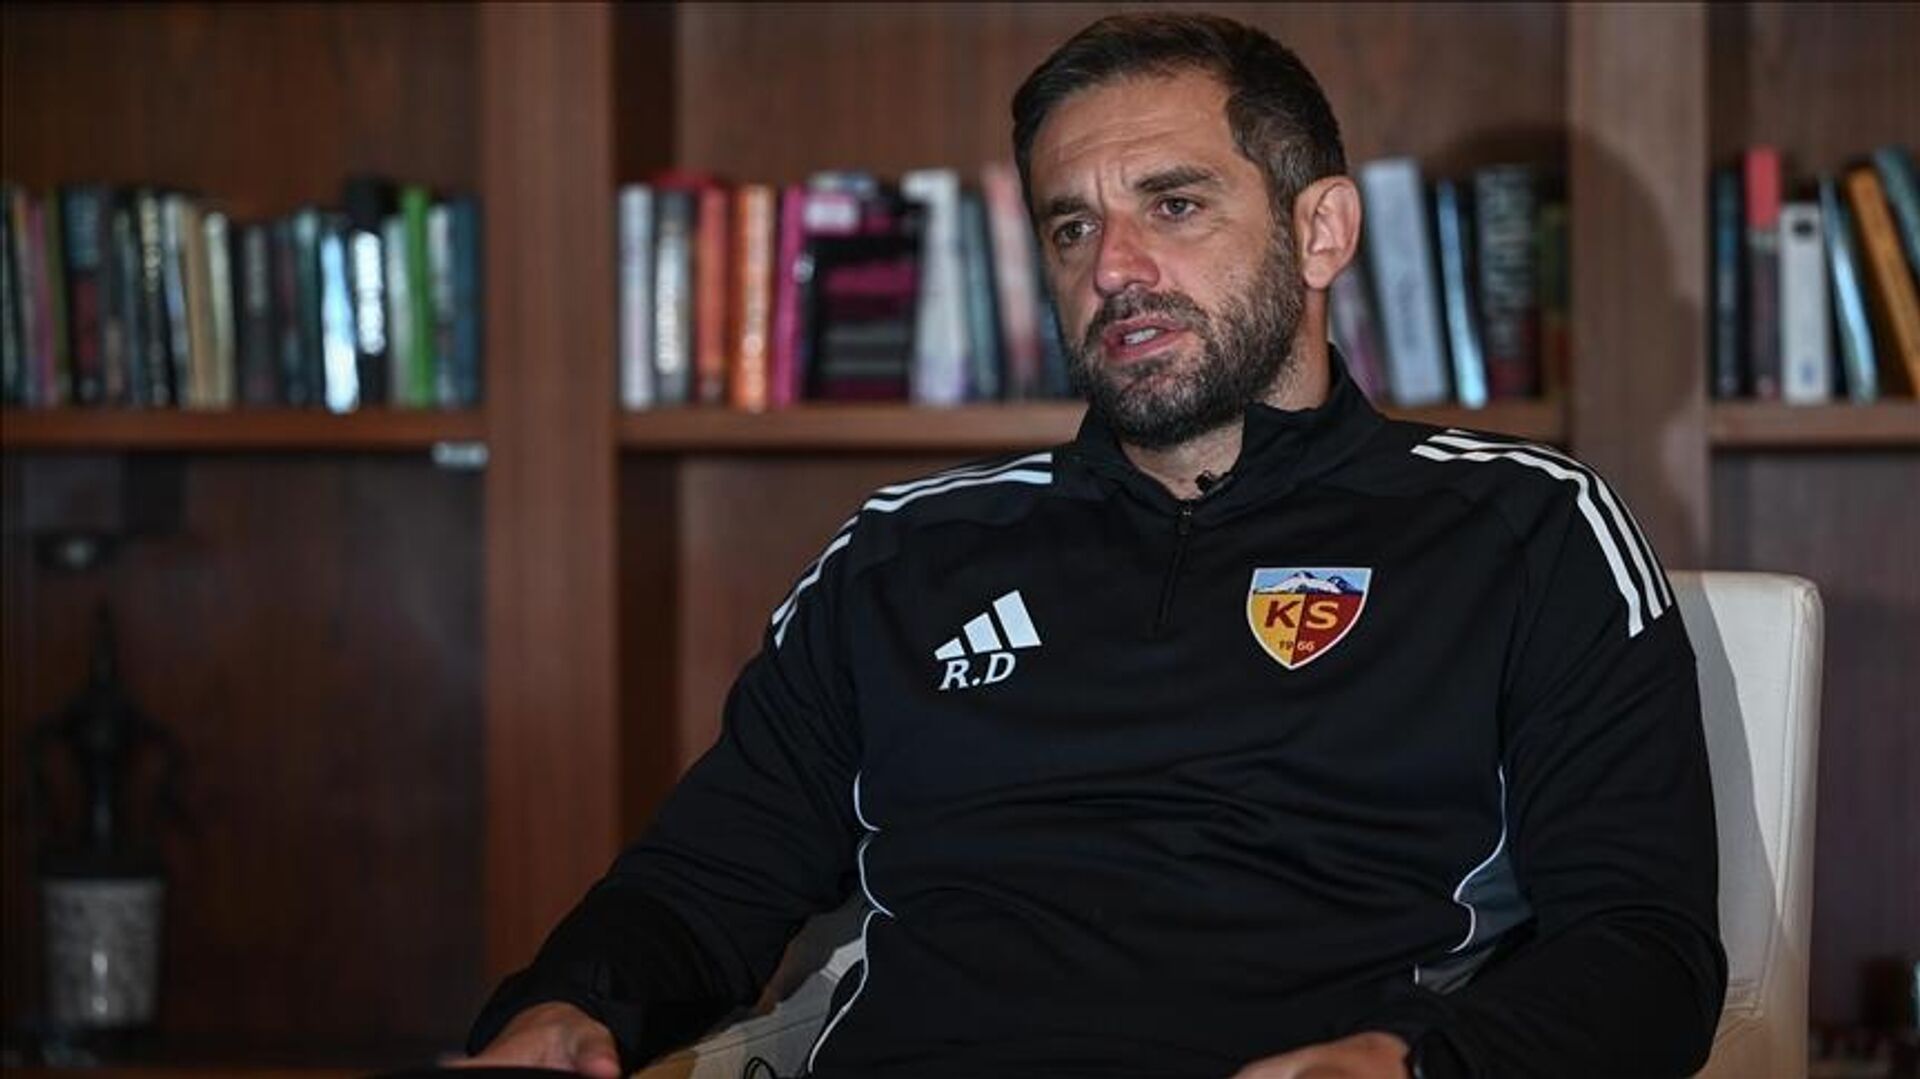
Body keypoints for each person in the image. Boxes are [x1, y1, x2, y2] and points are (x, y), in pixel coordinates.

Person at [462, 13, 1726, 1078]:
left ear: (1322, 231)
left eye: (1174, 204)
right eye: (1071, 227)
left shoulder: (1525, 527)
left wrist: (1413, 1065)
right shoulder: (904, 556)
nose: (1115, 266)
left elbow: (1642, 946)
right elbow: (701, 885)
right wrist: (566, 1007)